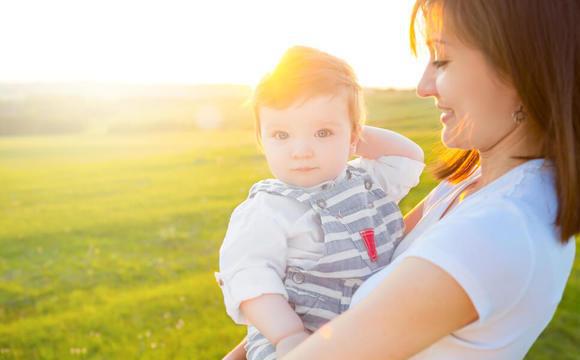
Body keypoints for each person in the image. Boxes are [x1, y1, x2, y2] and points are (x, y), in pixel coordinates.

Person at [223, 0, 579, 359]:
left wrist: (342, 129)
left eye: (442, 60)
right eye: (282, 134)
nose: (424, 86)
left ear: (518, 70)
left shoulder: (497, 230)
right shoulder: (468, 185)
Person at [215, 46, 425, 359]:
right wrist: (289, 335)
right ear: (262, 140)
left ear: (354, 137)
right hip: (296, 346)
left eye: (322, 132)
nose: (301, 150)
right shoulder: (267, 209)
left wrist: (348, 130)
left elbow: (407, 157)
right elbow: (249, 278)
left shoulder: (364, 182)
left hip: (363, 341)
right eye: (282, 135)